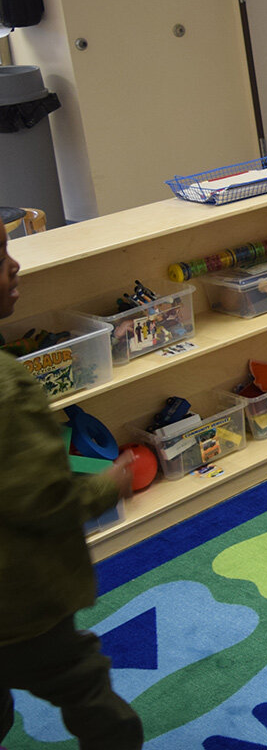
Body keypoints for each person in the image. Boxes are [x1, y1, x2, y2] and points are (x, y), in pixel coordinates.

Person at [0, 228, 142, 749]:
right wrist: (108, 485)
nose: (14, 266)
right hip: (18, 602)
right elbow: (43, 502)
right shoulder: (8, 388)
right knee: (86, 691)